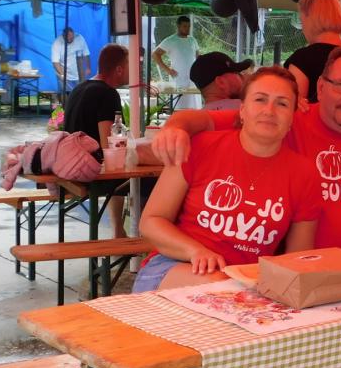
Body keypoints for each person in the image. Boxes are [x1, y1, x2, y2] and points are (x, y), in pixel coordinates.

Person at [154, 44, 341, 249]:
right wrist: (175, 127)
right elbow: (207, 120)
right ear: (321, 87)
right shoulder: (287, 120)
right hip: (294, 262)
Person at [136, 67, 320, 292]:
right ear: (242, 110)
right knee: (220, 285)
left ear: (292, 117)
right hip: (176, 265)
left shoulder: (305, 174)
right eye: (260, 100)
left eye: (282, 104)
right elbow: (151, 221)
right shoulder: (199, 146)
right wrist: (195, 251)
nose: (269, 111)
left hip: (246, 283)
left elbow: (297, 258)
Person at [63, 44, 131, 236]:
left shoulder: (79, 88)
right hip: (90, 174)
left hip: (68, 168)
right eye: (130, 66)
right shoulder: (108, 94)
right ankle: (126, 232)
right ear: (119, 69)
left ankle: (119, 230)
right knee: (142, 180)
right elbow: (108, 143)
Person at [285, 0, 341, 104]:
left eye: (302, 21)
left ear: (309, 20)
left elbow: (292, 108)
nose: (303, 29)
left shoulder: (302, 60)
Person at [153, 15, 200, 99]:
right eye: (185, 26)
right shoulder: (170, 40)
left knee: (194, 103)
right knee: (179, 103)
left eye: (189, 26)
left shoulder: (192, 40)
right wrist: (167, 70)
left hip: (193, 79)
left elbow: (198, 57)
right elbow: (155, 54)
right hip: (178, 79)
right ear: (178, 26)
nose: (187, 28)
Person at [51, 26, 90, 93]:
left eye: (71, 38)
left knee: (82, 92)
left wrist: (88, 67)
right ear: (63, 35)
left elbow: (86, 54)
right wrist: (62, 74)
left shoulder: (79, 38)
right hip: (63, 71)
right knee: (66, 93)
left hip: (79, 71)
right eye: (67, 38)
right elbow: (55, 62)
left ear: (73, 34)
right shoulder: (57, 43)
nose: (69, 39)